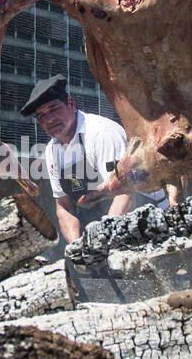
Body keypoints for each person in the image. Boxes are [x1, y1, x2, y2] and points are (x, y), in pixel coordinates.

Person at [21, 74, 133, 243]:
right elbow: (64, 205)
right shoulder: (52, 150)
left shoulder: (100, 134)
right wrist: (77, 246)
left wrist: (105, 240)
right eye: (41, 116)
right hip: (98, 227)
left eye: (53, 109)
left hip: (138, 219)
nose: (49, 119)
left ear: (71, 104)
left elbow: (126, 192)